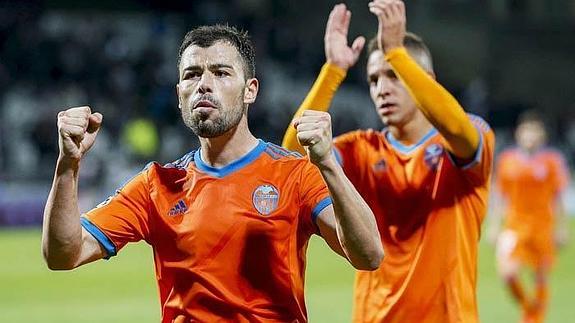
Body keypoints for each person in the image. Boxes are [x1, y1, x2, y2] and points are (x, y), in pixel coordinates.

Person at [41, 24, 383, 323]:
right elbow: (63, 255)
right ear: (179, 95)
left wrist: (328, 164)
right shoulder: (156, 184)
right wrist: (68, 165)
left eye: (220, 73)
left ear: (251, 90)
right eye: (192, 75)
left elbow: (368, 255)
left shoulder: (294, 174)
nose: (204, 84)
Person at [282, 1, 495, 322]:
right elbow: (291, 157)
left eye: (394, 75)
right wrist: (334, 71)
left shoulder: (466, 138)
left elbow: (459, 131)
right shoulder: (364, 149)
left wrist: (396, 51)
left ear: (426, 79)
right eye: (374, 79)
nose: (382, 89)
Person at [490, 110, 570, 323]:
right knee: (507, 273)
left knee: (540, 276)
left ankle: (535, 319)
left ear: (542, 135)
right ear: (519, 133)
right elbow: (500, 195)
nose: (530, 136)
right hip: (515, 226)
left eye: (535, 131)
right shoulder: (507, 160)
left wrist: (561, 229)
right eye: (527, 131)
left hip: (542, 226)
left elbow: (559, 196)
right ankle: (529, 307)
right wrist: (494, 226)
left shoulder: (553, 161)